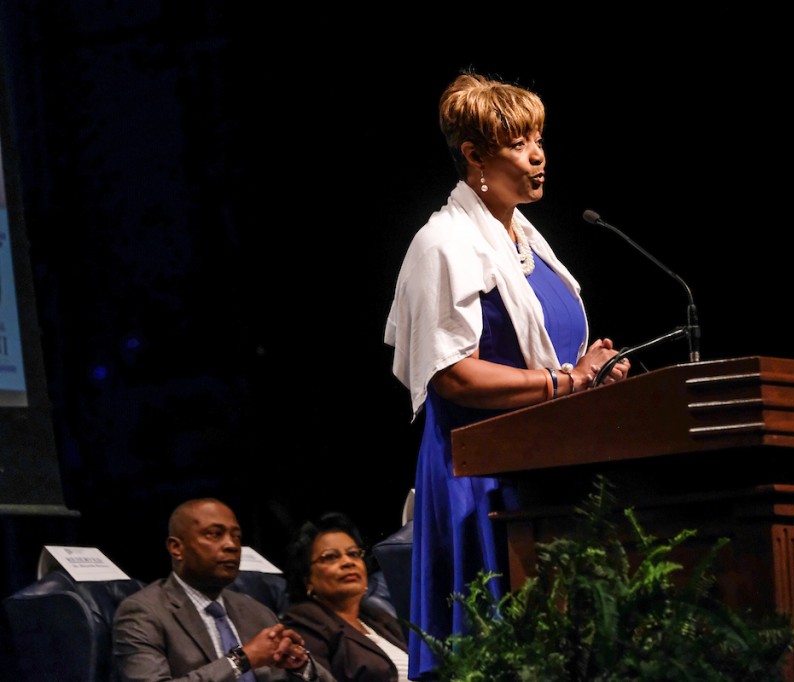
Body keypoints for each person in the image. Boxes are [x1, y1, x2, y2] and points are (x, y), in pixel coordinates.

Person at [383, 69, 630, 679]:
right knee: (491, 647)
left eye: (540, 138)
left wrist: (593, 373)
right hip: (479, 475)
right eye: (520, 143)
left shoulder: (527, 242)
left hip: (545, 467)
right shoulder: (443, 243)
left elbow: (548, 359)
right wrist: (569, 384)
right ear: (474, 155)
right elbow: (454, 378)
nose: (539, 155)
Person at [112, 497, 337, 682]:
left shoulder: (256, 611)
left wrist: (301, 666)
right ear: (176, 548)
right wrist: (241, 659)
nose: (231, 545)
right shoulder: (143, 613)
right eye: (215, 534)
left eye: (236, 537)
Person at [281, 512, 410, 682]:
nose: (348, 562)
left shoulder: (380, 619)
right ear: (308, 579)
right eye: (331, 557)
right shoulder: (305, 622)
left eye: (353, 554)